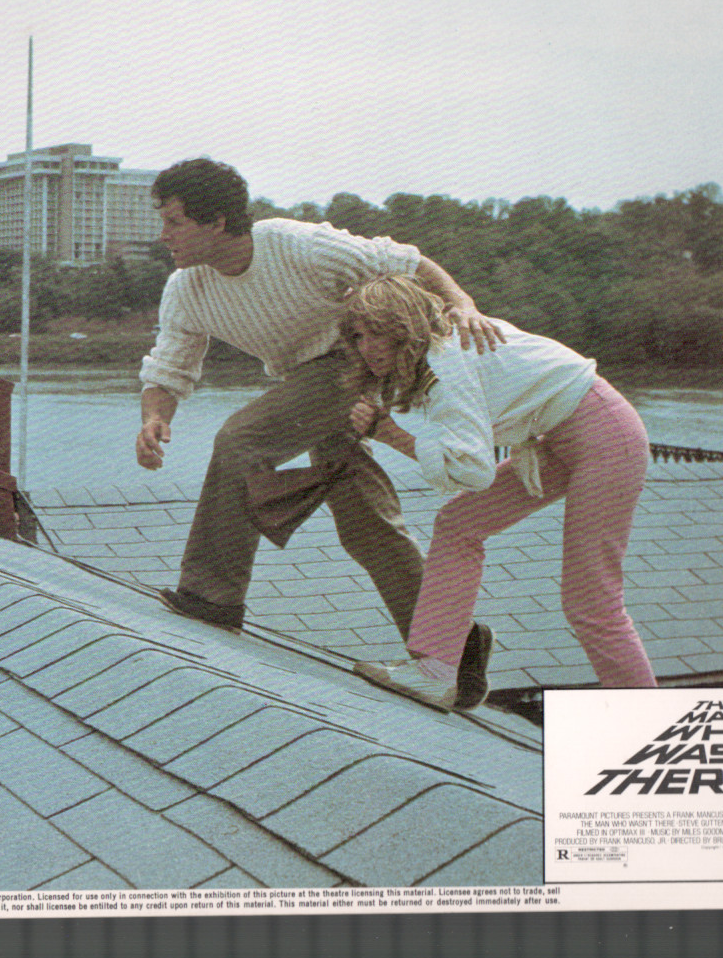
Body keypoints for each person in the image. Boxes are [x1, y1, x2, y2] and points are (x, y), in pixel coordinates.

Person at [136, 158, 503, 645]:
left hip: (357, 359)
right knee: (363, 521)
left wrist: (463, 304)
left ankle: (212, 597)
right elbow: (169, 367)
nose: (163, 235)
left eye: (174, 221)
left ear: (217, 221)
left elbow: (407, 261)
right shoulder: (186, 290)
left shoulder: (298, 246)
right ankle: (451, 642)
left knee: (241, 440)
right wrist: (154, 418)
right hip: (309, 378)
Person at [342, 274, 656, 710]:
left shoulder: (447, 366)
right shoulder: (437, 354)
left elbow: (474, 471)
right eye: (359, 336)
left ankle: (647, 723)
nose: (367, 347)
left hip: (606, 436)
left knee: (591, 604)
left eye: (377, 332)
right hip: (560, 437)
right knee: (458, 524)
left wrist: (390, 434)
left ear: (404, 327)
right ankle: (435, 672)